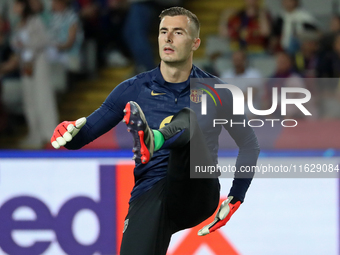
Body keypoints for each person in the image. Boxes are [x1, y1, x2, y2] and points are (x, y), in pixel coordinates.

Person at [50, 7, 260, 254]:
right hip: (151, 191)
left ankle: (155, 139)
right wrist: (65, 131)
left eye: (178, 32)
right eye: (163, 32)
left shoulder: (217, 91)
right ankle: (152, 140)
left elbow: (249, 144)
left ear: (195, 43)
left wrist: (236, 195)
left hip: (196, 189)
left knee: (187, 120)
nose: (168, 38)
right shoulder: (133, 89)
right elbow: (80, 137)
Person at [11, 0, 58, 148]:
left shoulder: (35, 20)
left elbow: (44, 40)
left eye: (16, 5)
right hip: (26, 65)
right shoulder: (19, 24)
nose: (14, 8)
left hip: (38, 62)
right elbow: (14, 43)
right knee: (29, 100)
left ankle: (50, 133)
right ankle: (35, 134)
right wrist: (17, 44)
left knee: (42, 97)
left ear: (23, 6)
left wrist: (25, 44)